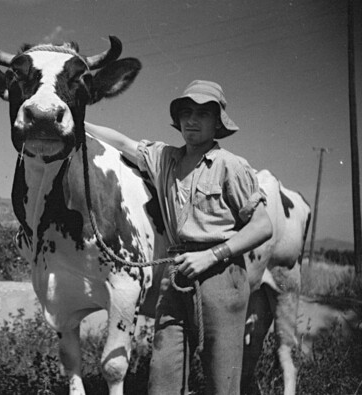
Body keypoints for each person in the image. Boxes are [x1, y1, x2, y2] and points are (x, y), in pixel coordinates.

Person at [85, 80, 272, 395]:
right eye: (186, 113)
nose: (192, 120)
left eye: (202, 113)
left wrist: (212, 256)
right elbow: (124, 143)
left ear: (217, 122)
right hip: (176, 274)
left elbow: (262, 225)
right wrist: (77, 121)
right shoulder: (165, 159)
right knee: (163, 380)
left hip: (221, 274)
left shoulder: (232, 166)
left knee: (222, 383)